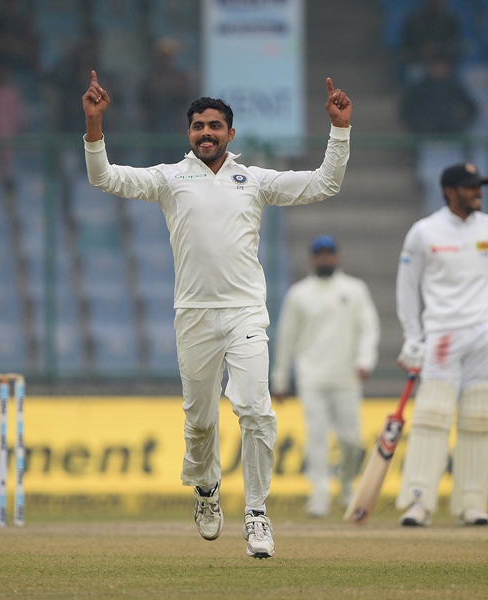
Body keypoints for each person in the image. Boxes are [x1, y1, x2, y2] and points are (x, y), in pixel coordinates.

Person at [82, 71, 352, 558]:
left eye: (215, 126)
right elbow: (104, 178)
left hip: (246, 312)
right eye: (198, 126)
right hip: (194, 316)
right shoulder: (170, 177)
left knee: (256, 411)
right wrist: (94, 124)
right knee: (201, 423)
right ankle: (206, 491)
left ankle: (256, 514)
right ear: (189, 134)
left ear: (231, 133)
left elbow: (324, 184)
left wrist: (339, 131)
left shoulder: (254, 180)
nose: (206, 133)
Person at [395, 163, 488, 527]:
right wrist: (412, 336)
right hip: (443, 334)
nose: (477, 192)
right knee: (432, 416)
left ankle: (473, 503)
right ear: (449, 191)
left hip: (487, 332)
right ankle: (418, 502)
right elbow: (407, 287)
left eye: (479, 186)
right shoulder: (425, 231)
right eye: (469, 186)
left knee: (479, 416)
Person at [270, 235, 380, 518]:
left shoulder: (355, 290)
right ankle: (318, 495)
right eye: (319, 255)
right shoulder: (299, 294)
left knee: (351, 440)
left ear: (337, 257)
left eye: (329, 254)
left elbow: (369, 327)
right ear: (311, 259)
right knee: (317, 437)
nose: (325, 260)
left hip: (346, 376)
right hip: (312, 376)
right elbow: (287, 337)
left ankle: (345, 486)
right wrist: (280, 379)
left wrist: (365, 359)